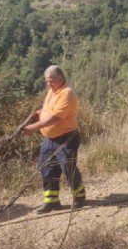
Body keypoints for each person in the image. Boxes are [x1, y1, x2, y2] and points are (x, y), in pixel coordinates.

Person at [22, 65, 85, 214]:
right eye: (47, 81)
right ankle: (51, 202)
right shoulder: (52, 91)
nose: (49, 84)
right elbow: (49, 110)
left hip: (67, 138)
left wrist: (33, 127)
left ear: (61, 78)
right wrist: (40, 113)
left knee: (68, 168)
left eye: (51, 81)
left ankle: (79, 197)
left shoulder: (67, 93)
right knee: (47, 168)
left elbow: (56, 117)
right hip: (49, 139)